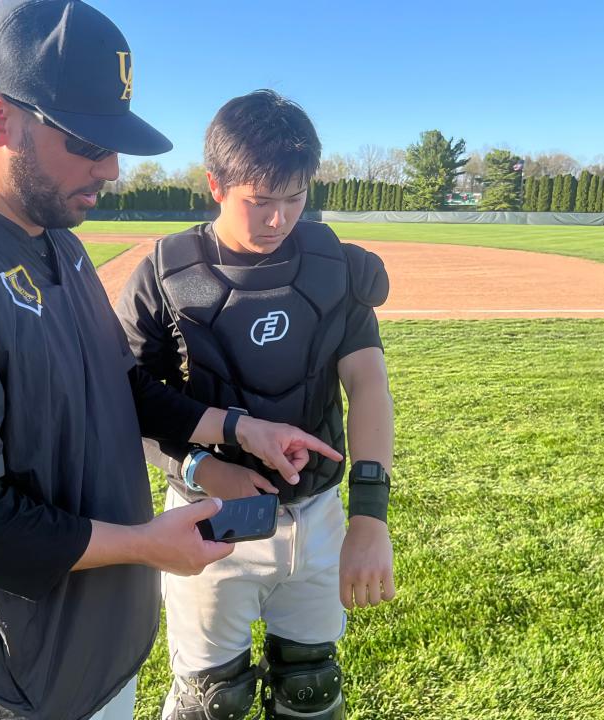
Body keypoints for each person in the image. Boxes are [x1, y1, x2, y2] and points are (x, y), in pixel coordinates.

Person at [0, 5, 340, 720]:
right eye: (86, 141)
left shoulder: (56, 241)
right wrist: (141, 545)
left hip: (90, 664)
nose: (112, 168)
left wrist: (234, 427)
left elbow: (120, 387)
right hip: (6, 692)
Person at [116, 90, 396, 720]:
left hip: (317, 511)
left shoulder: (333, 269)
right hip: (208, 516)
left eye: (295, 198)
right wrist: (202, 470)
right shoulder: (163, 277)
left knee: (311, 685)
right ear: (215, 184)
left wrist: (370, 515)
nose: (279, 219)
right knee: (212, 698)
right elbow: (128, 406)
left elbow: (369, 385)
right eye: (260, 201)